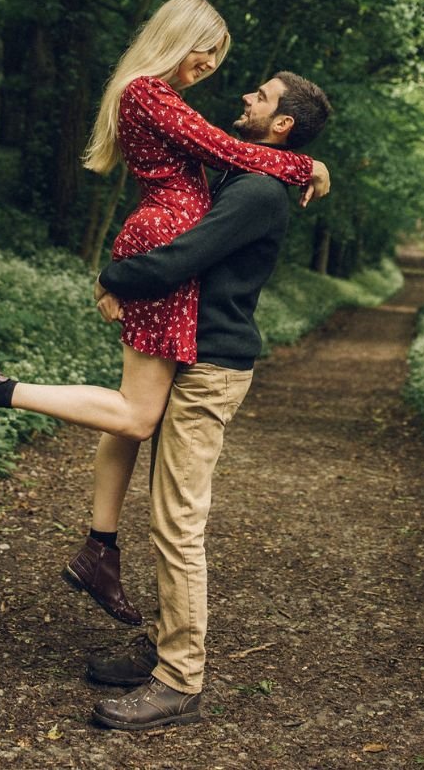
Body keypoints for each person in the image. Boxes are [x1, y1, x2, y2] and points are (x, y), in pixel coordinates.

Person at [0, 0, 330, 626]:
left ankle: (100, 547)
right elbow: (236, 154)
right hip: (163, 246)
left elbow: (232, 156)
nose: (214, 66)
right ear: (180, 36)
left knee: (131, 411)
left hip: (161, 243)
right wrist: (308, 165)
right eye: (208, 49)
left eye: (220, 56)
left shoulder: (156, 96)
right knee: (137, 415)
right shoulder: (148, 95)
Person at [82, 70, 328, 730]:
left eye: (262, 95)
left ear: (280, 124)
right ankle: (166, 646)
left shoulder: (256, 192)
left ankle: (180, 679)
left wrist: (112, 277)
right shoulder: (249, 174)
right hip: (194, 356)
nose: (247, 95)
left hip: (213, 367)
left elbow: (181, 258)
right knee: (169, 516)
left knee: (177, 524)